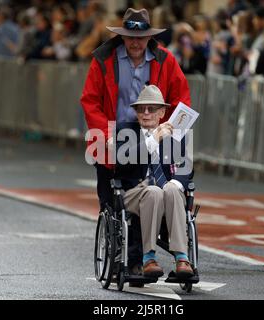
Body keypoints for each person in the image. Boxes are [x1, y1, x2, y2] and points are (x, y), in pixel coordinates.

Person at [80, 7, 191, 280]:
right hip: (114, 132)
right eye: (130, 36)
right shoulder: (104, 60)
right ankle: (129, 258)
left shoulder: (165, 60)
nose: (135, 42)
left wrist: (171, 129)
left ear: (149, 37)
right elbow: (91, 101)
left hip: (157, 128)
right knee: (114, 198)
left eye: (140, 37)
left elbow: (182, 99)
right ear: (122, 36)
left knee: (165, 185)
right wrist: (105, 137)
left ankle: (170, 258)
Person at [115, 85, 194, 278]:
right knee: (154, 191)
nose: (146, 113)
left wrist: (176, 183)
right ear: (136, 112)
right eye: (141, 109)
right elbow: (122, 164)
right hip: (135, 193)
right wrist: (153, 140)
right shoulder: (125, 130)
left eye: (152, 109)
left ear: (162, 112)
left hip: (167, 194)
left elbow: (187, 168)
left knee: (171, 189)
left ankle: (182, 259)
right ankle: (148, 258)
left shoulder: (175, 134)